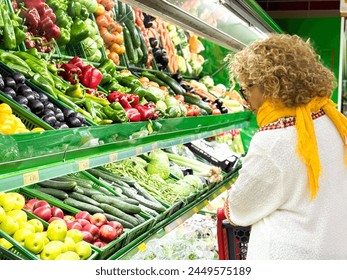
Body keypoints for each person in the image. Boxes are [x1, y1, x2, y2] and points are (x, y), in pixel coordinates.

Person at [224, 34, 347, 260]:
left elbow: (239, 211)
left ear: (268, 85)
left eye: (246, 89)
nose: (246, 100)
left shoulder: (273, 140)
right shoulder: (332, 119)